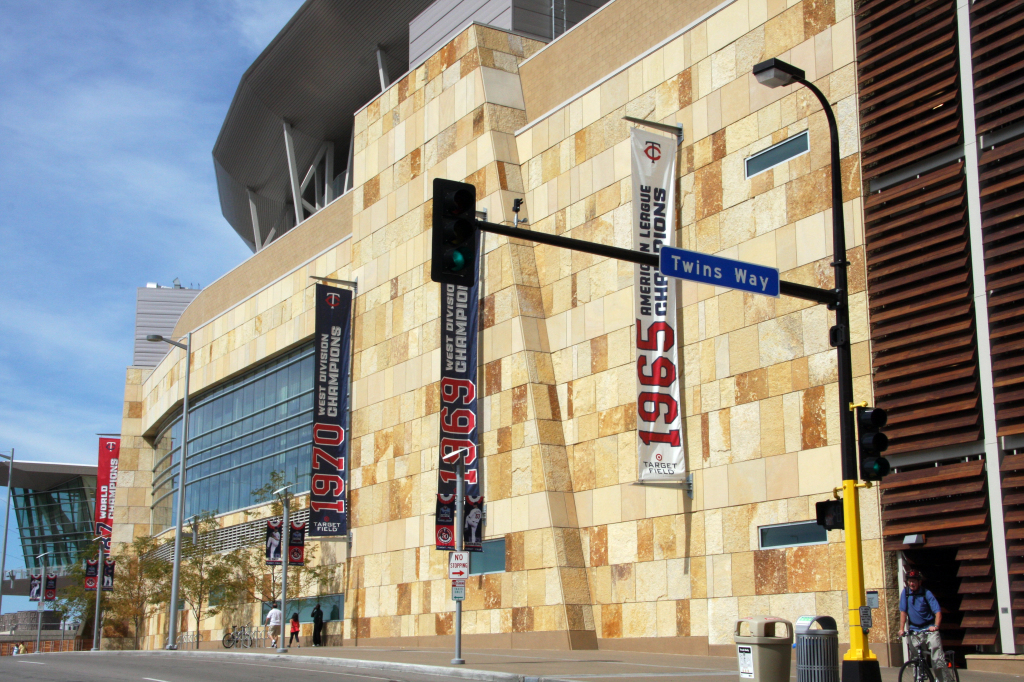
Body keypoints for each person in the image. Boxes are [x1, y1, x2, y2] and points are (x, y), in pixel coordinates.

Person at [899, 569, 949, 682]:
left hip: (929, 628)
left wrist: (936, 626)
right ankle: (918, 679)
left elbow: (938, 612)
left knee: (937, 657)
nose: (912, 583)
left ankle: (941, 680)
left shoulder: (926, 593)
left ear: (919, 582)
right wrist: (901, 629)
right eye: (910, 581)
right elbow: (903, 612)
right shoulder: (905, 593)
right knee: (916, 659)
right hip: (914, 629)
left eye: (914, 581)